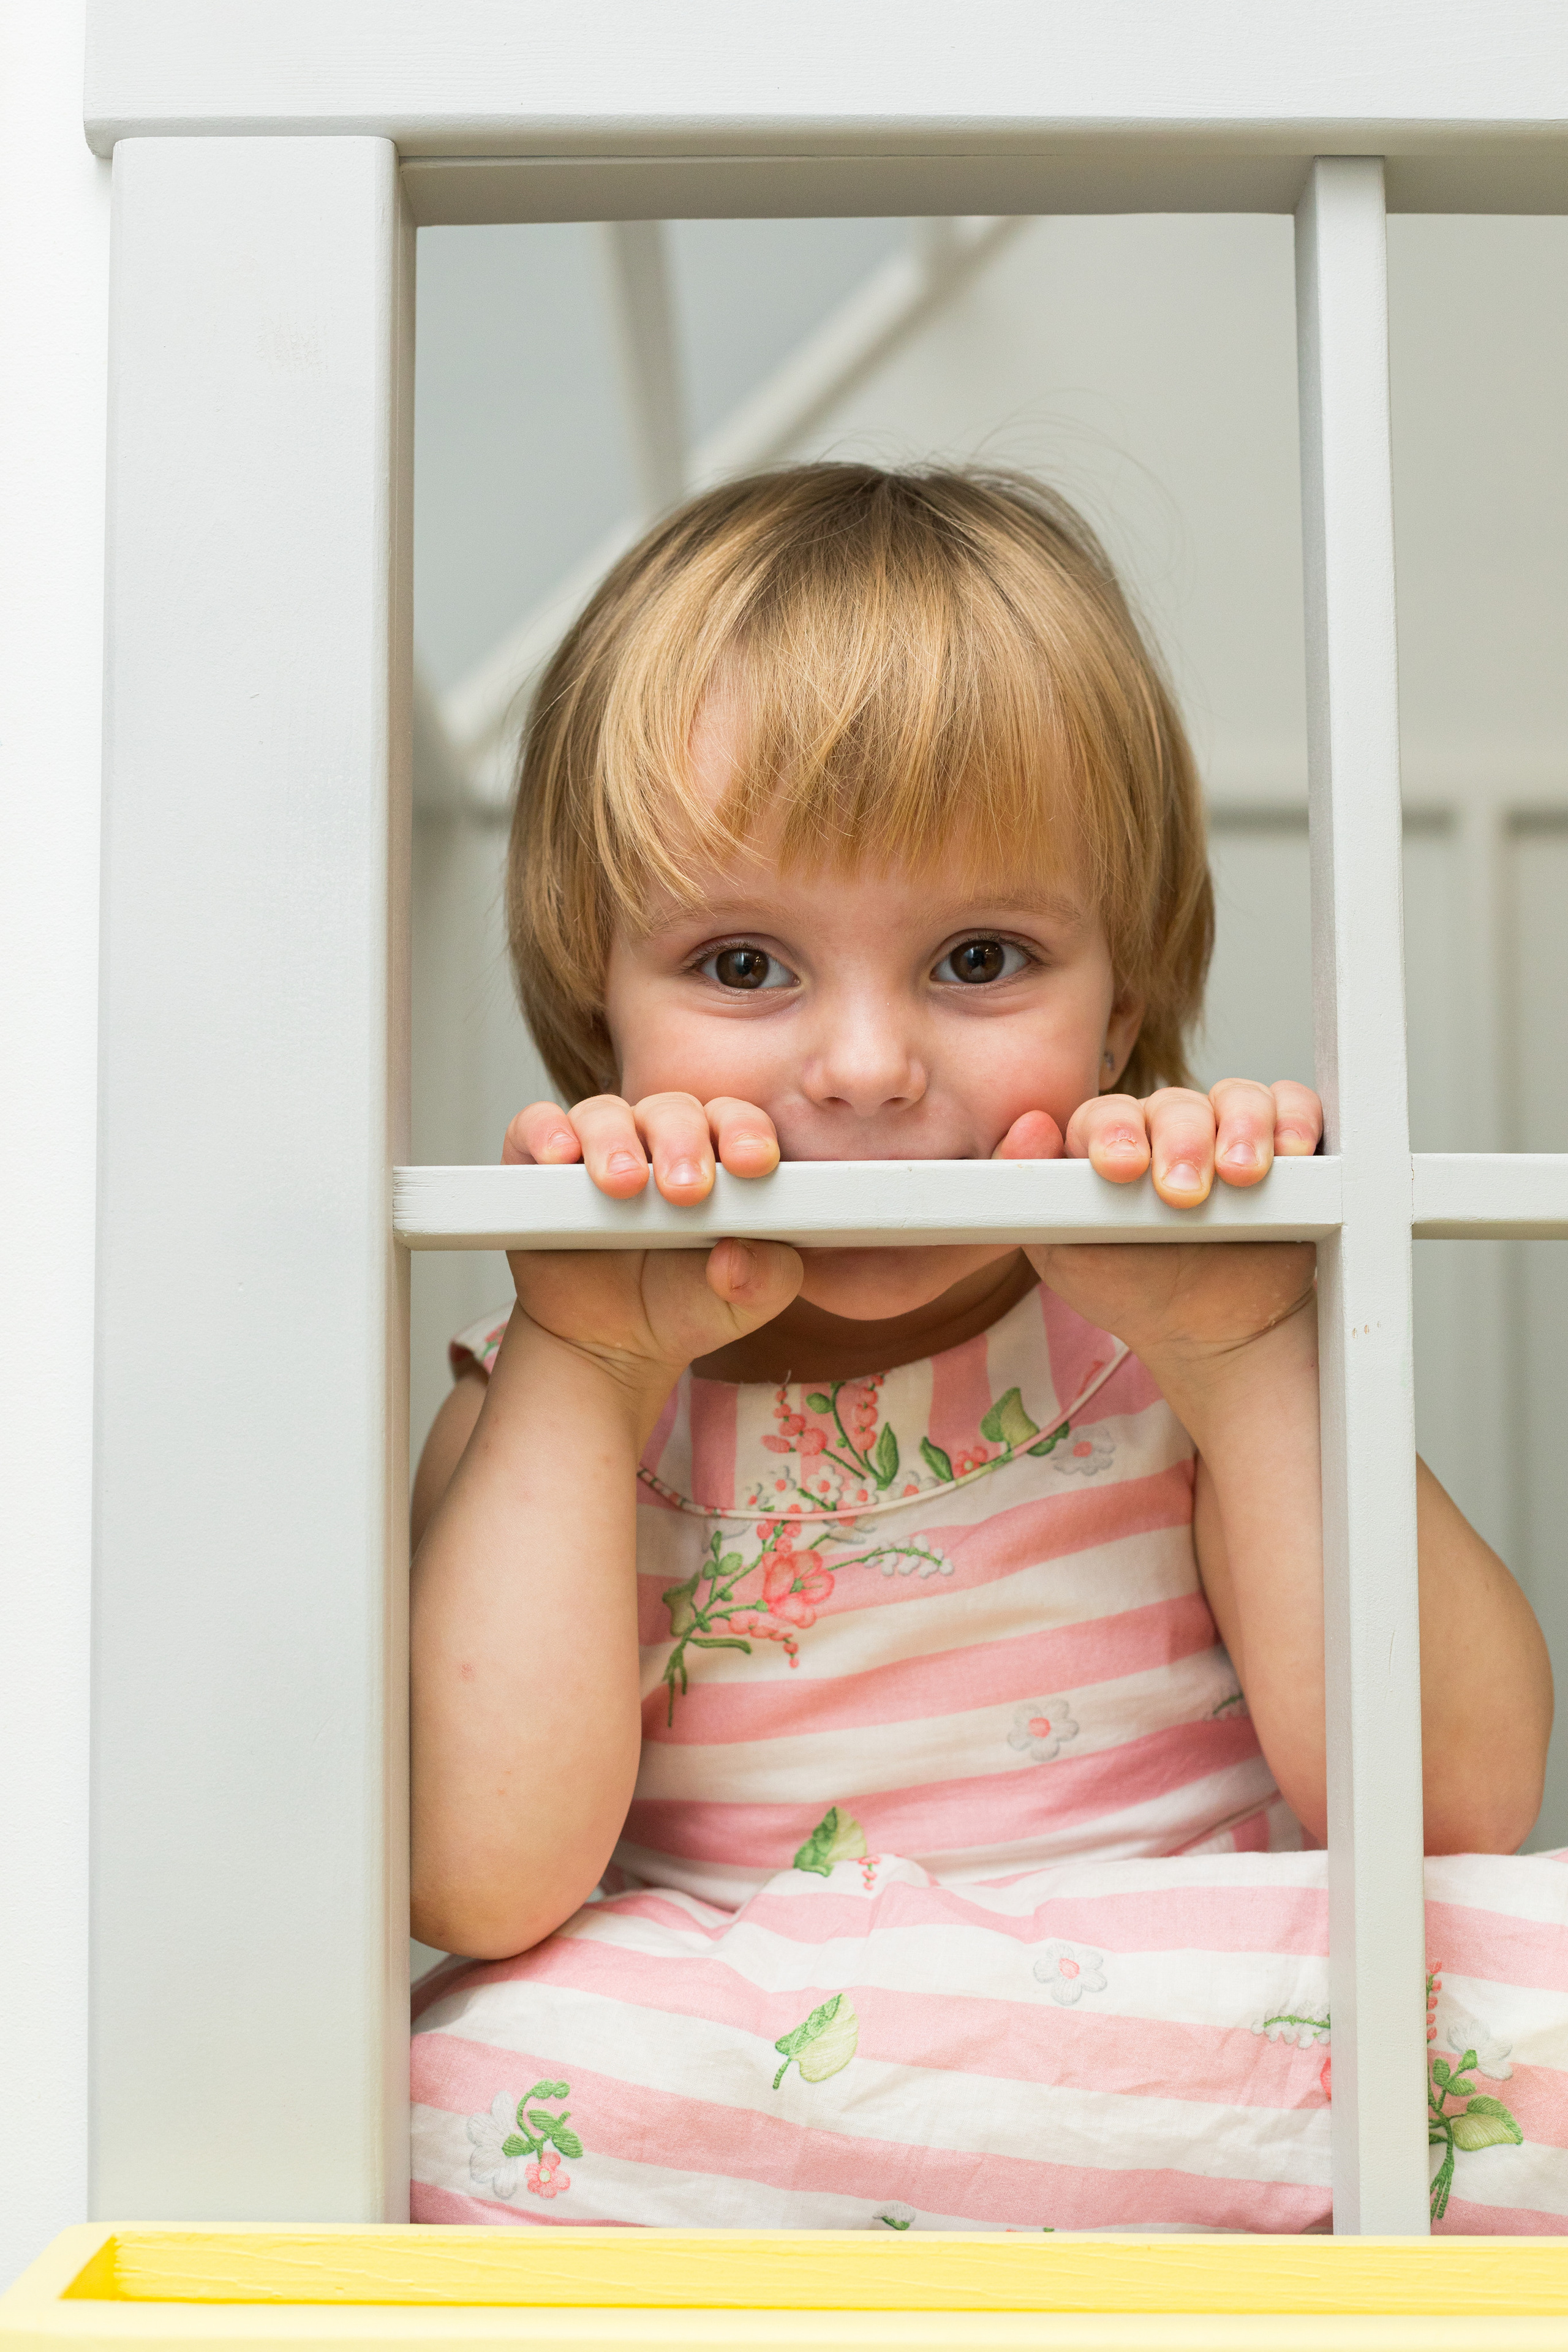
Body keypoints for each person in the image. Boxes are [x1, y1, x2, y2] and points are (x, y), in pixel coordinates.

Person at [407, 465, 1552, 2232]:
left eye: (978, 956)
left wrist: (1249, 1354)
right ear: (594, 1001)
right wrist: (583, 1367)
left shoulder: (1178, 1310)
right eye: (741, 962)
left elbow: (1458, 1804)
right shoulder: (551, 1368)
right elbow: (477, 1880)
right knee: (465, 2064)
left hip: (1190, 2033)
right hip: (750, 2050)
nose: (865, 1066)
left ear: (1125, 992)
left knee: (1508, 1968)